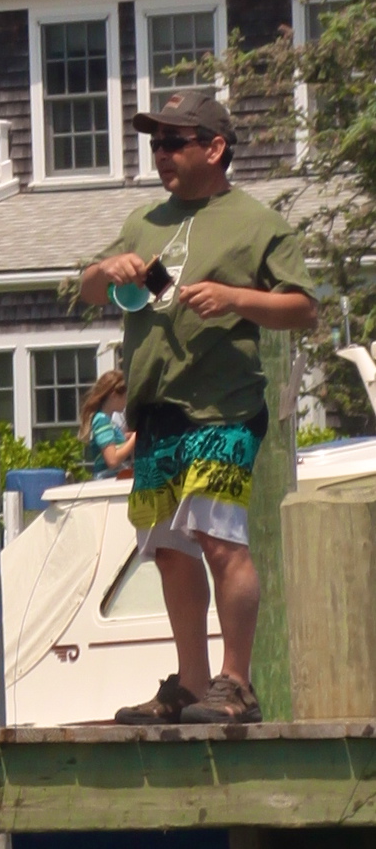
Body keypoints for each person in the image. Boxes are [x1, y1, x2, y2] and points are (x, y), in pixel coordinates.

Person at [76, 86, 319, 730]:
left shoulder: (257, 223)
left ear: (214, 148)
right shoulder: (143, 222)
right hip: (155, 411)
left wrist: (236, 299)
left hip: (223, 408)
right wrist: (109, 268)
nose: (161, 153)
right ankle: (189, 684)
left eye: (174, 142)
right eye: (155, 142)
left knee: (218, 540)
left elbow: (304, 307)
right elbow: (88, 289)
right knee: (168, 548)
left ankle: (236, 683)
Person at [81, 367, 133, 480]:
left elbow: (111, 444)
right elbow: (112, 460)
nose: (126, 401)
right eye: (125, 397)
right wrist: (135, 439)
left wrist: (126, 439)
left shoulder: (107, 420)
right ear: (114, 396)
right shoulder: (101, 420)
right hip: (107, 479)